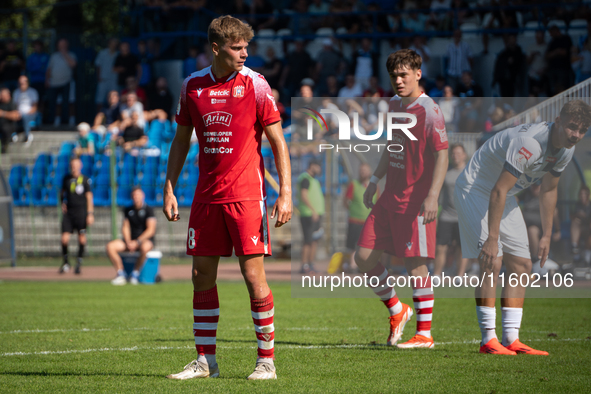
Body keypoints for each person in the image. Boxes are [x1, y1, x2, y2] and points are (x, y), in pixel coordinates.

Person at [163, 15, 291, 381]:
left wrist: (286, 193)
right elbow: (180, 141)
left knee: (253, 276)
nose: (244, 54)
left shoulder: (256, 85)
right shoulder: (192, 86)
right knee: (201, 276)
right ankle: (206, 362)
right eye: (237, 48)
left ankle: (266, 361)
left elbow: (278, 141)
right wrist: (169, 188)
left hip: (247, 197)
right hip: (206, 198)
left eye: (246, 47)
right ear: (216, 48)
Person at [454, 100, 591, 356]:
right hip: (476, 189)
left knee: (522, 265)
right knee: (492, 260)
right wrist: (492, 238)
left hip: (502, 195)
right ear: (558, 121)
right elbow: (498, 189)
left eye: (582, 130)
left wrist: (547, 234)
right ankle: (488, 340)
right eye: (572, 127)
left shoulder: (566, 150)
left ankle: (511, 339)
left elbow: (549, 190)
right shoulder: (530, 142)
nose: (576, 135)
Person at [355, 49, 449, 349]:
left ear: (418, 74)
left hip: (416, 201)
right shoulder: (394, 104)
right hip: (388, 197)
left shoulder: (430, 111)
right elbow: (393, 146)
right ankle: (398, 310)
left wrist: (433, 196)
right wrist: (373, 180)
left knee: (415, 265)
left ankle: (425, 334)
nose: (398, 80)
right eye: (394, 75)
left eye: (404, 74)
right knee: (363, 257)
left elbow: (443, 155)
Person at [433, 144, 473, 278]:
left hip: (464, 217)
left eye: (458, 153)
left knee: (461, 249)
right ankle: (437, 275)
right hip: (446, 216)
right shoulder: (445, 173)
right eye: (453, 154)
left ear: (464, 155)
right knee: (440, 247)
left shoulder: (471, 173)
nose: (456, 156)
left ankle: (459, 276)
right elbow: (438, 195)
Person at [106, 187, 156, 285]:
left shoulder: (149, 210)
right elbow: (125, 227)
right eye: (134, 195)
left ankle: (135, 273)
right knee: (110, 246)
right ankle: (121, 274)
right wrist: (128, 242)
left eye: (138, 195)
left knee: (146, 247)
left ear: (143, 196)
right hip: (129, 241)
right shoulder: (128, 209)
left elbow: (151, 230)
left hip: (143, 241)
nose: (136, 197)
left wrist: (137, 242)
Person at [338, 162, 378, 273]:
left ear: (369, 172)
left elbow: (378, 201)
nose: (363, 172)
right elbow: (346, 200)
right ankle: (353, 266)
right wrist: (352, 210)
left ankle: (366, 266)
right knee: (353, 245)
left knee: (368, 245)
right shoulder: (354, 184)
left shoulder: (374, 186)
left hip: (369, 220)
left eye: (365, 170)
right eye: (361, 170)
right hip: (355, 220)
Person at [59, 157, 94, 275]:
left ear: (80, 166)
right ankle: (66, 262)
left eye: (76, 165)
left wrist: (90, 214)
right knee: (64, 238)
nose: (74, 168)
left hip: (81, 213)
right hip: (69, 213)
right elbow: (62, 192)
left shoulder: (85, 180)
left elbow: (89, 197)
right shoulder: (66, 179)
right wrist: (62, 203)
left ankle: (78, 262)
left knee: (82, 238)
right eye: (72, 165)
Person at [297, 160, 325, 274]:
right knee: (308, 241)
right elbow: (304, 195)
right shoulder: (305, 178)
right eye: (317, 167)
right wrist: (313, 210)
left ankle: (311, 264)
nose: (319, 169)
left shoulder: (314, 180)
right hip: (308, 214)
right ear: (312, 166)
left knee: (314, 240)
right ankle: (304, 265)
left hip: (316, 214)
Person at [46, 39, 77, 125]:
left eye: (64, 44)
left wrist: (64, 54)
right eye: (60, 45)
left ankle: (70, 121)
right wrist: (47, 80)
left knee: (69, 102)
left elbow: (73, 64)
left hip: (67, 82)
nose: (62, 46)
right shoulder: (54, 56)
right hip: (54, 83)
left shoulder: (71, 55)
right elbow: (49, 69)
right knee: (56, 103)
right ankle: (56, 120)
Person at [12, 75, 38, 145]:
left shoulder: (33, 92)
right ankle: (13, 135)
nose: (21, 84)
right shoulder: (16, 92)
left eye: (23, 83)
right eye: (20, 83)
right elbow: (15, 106)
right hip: (19, 113)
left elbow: (35, 107)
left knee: (25, 117)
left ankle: (27, 135)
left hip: (30, 114)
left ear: (27, 83)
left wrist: (27, 113)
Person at [95, 38, 119, 111]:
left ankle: (112, 117)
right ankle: (99, 117)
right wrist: (99, 77)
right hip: (103, 79)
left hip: (114, 80)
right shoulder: (102, 53)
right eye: (112, 42)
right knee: (100, 100)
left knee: (114, 99)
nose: (114, 44)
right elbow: (98, 65)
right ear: (109, 43)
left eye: (115, 43)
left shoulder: (118, 54)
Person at [570, 185, 591, 262]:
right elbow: (571, 216)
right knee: (575, 222)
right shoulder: (577, 205)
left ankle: (587, 255)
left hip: (588, 229)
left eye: (584, 194)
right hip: (579, 228)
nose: (582, 196)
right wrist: (577, 215)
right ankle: (575, 247)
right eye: (581, 194)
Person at [0, 87, 21, 153]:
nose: (1, 97)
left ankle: (4, 146)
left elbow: (16, 116)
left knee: (5, 129)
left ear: (7, 95)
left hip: (9, 126)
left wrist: (3, 113)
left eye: (2, 95)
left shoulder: (12, 103)